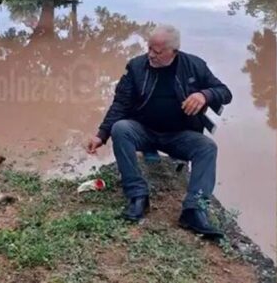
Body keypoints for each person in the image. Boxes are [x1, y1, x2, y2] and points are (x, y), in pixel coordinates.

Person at [86, 24, 232, 239]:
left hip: (179, 136)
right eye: (149, 49)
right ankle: (138, 196)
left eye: (157, 51)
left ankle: (194, 210)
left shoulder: (194, 65)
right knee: (121, 128)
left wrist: (205, 95)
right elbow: (120, 104)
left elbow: (225, 92)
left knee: (207, 147)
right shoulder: (136, 67)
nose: (151, 55)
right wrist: (101, 134)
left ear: (174, 51)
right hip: (144, 131)